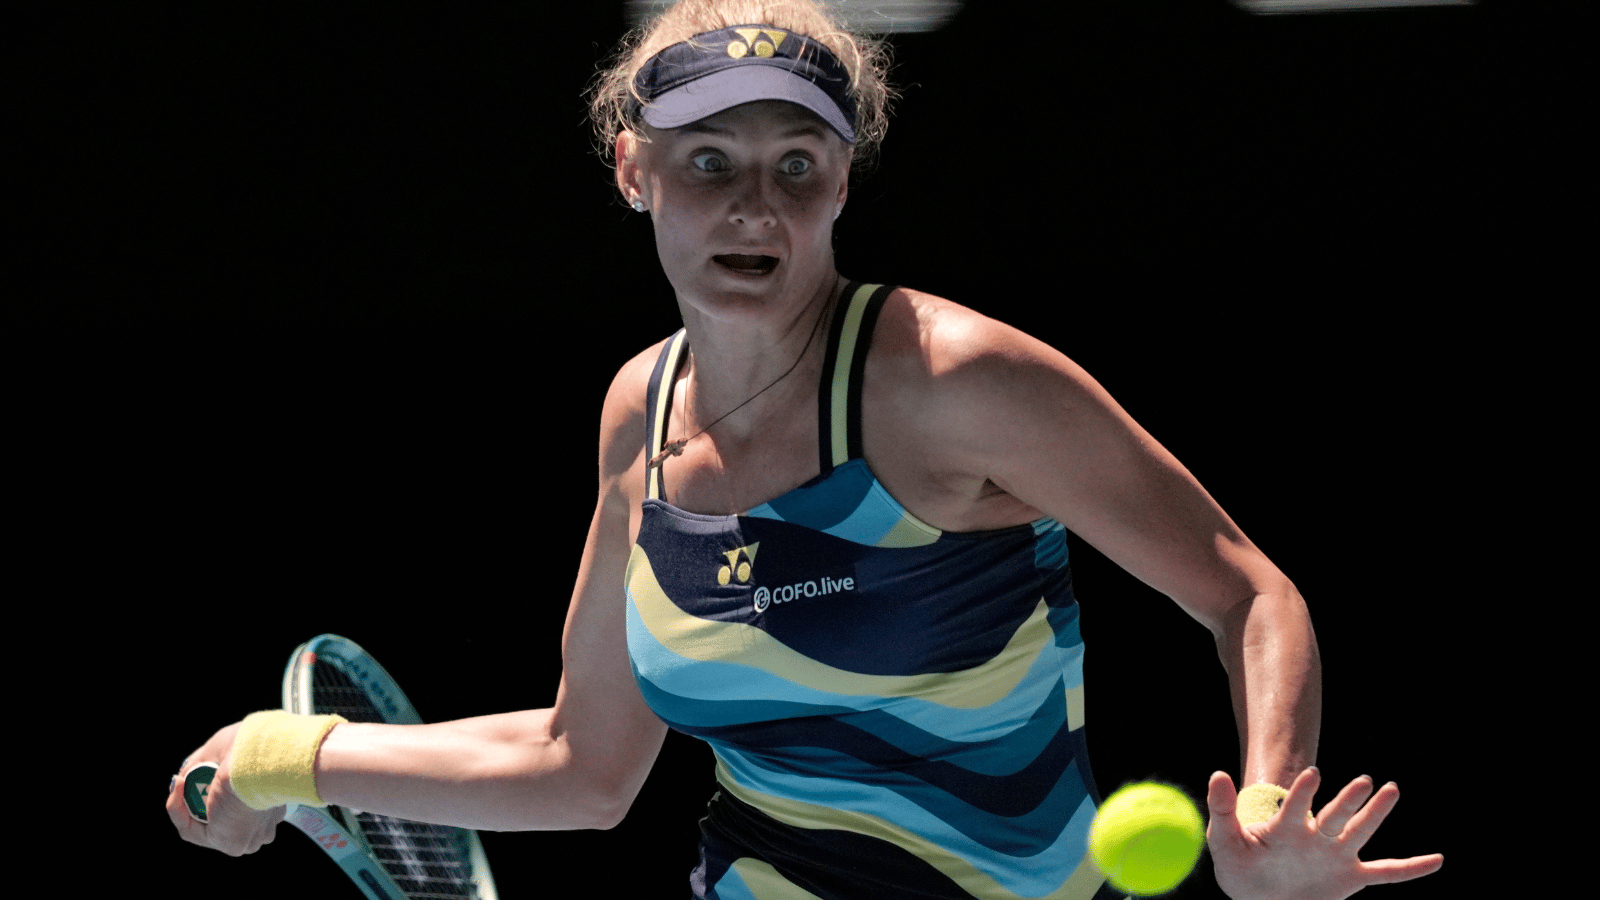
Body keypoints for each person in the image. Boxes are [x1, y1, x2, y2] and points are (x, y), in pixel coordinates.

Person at [168, 2, 1444, 897]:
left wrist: (1271, 807)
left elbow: (1243, 590)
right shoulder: (639, 415)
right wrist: (283, 761)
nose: (752, 206)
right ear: (632, 170)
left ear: (843, 181)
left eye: (796, 166)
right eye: (707, 161)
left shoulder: (949, 379)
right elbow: (580, 764)